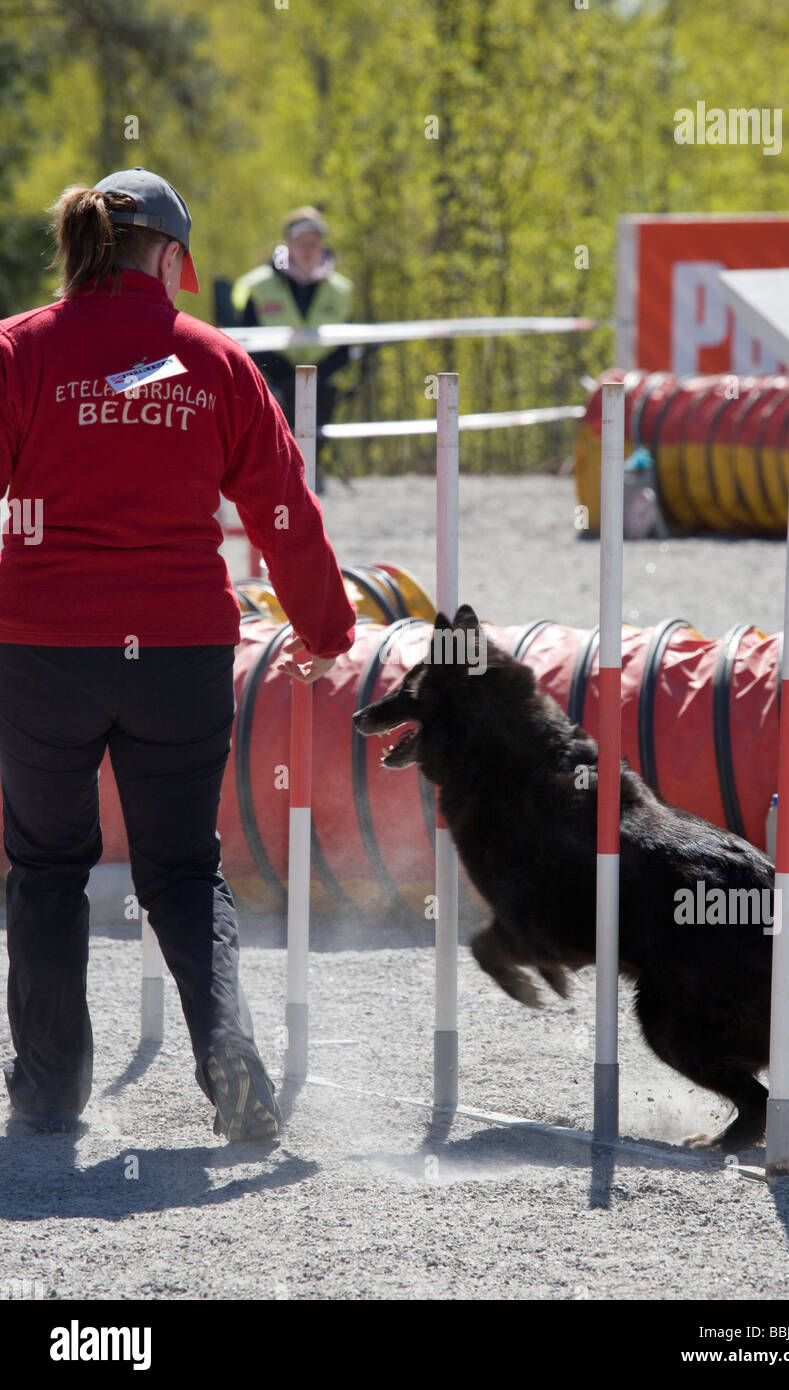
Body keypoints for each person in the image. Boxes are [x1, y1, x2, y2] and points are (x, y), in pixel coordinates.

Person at [0, 167, 355, 1141]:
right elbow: (283, 507)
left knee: (43, 865)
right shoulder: (213, 360)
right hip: (184, 651)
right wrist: (326, 630)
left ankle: (48, 1085)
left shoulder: (18, 351)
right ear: (169, 256)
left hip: (42, 651)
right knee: (182, 871)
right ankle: (234, 1072)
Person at [231, 207, 355, 470]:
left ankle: (310, 469)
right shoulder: (258, 285)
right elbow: (248, 341)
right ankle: (280, 469)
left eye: (314, 242)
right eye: (301, 242)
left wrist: (315, 376)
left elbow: (346, 346)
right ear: (288, 244)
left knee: (324, 395)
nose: (308, 249)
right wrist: (285, 376)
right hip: (273, 379)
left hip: (321, 381)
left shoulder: (341, 290)